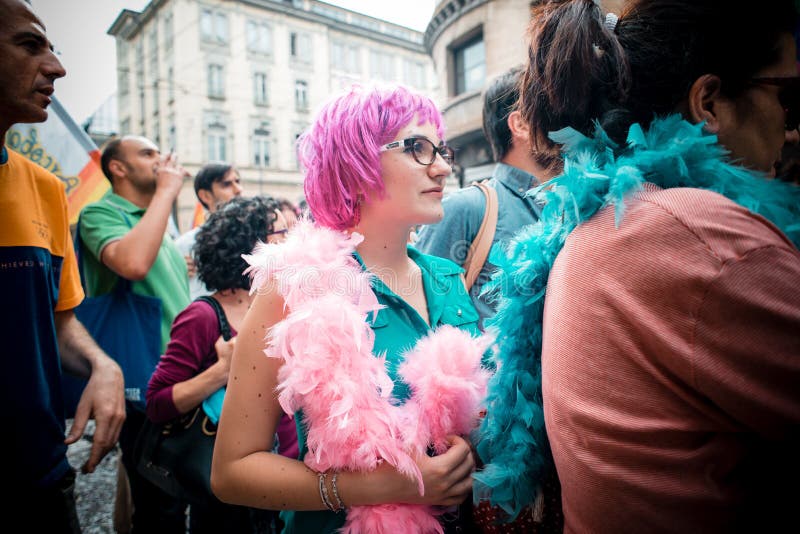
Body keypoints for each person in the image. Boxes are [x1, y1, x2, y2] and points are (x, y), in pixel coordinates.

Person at [477, 0, 800, 532]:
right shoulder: (693, 229)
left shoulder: (610, 216)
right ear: (710, 101)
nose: (792, 131)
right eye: (789, 99)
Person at [211, 85, 483, 533]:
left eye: (441, 149)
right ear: (355, 167)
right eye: (417, 147)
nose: (442, 165)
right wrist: (379, 486)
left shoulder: (448, 275)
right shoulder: (294, 286)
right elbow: (231, 472)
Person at [0, 0, 126, 530]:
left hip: (39, 477)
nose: (56, 66)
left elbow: (59, 322)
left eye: (52, 48)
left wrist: (103, 364)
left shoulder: (48, 188)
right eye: (30, 45)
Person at [147, 195, 297, 533]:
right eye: (281, 233)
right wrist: (221, 372)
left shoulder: (289, 302)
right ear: (251, 244)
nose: (293, 241)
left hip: (291, 477)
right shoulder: (202, 315)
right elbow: (157, 403)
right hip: (232, 497)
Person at [80, 135, 191, 532]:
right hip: (143, 389)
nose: (160, 160)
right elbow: (132, 264)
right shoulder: (99, 215)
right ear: (118, 168)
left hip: (181, 383)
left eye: (160, 152)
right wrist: (166, 192)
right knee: (160, 511)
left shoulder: (155, 220)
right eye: (147, 154)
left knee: (179, 502)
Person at [415, 67, 558, 327]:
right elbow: (421, 324)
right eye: (553, 109)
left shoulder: (570, 210)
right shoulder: (465, 209)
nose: (566, 120)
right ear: (521, 125)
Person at [175, 162, 244, 300]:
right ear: (205, 195)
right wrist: (176, 271)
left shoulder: (257, 235)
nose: (238, 189)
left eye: (237, 181)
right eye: (226, 184)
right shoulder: (186, 244)